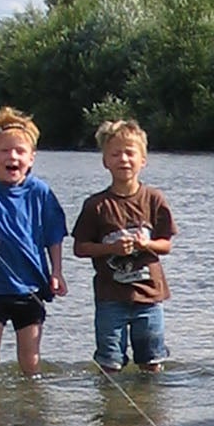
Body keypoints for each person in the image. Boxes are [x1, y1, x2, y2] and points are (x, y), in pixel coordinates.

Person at [0, 106, 68, 377]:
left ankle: (33, 405)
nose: (12, 156)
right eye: (5, 151)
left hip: (30, 288)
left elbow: (54, 234)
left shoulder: (40, 192)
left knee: (30, 359)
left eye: (20, 151)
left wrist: (56, 272)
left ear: (31, 158)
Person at [71, 118, 176, 372]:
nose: (124, 160)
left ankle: (149, 405)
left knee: (152, 363)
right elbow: (80, 247)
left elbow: (166, 245)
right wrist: (111, 249)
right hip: (110, 297)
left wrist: (146, 243)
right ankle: (110, 408)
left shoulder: (154, 199)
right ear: (105, 161)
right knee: (109, 364)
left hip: (149, 296)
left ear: (143, 159)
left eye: (130, 153)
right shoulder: (96, 205)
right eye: (115, 154)